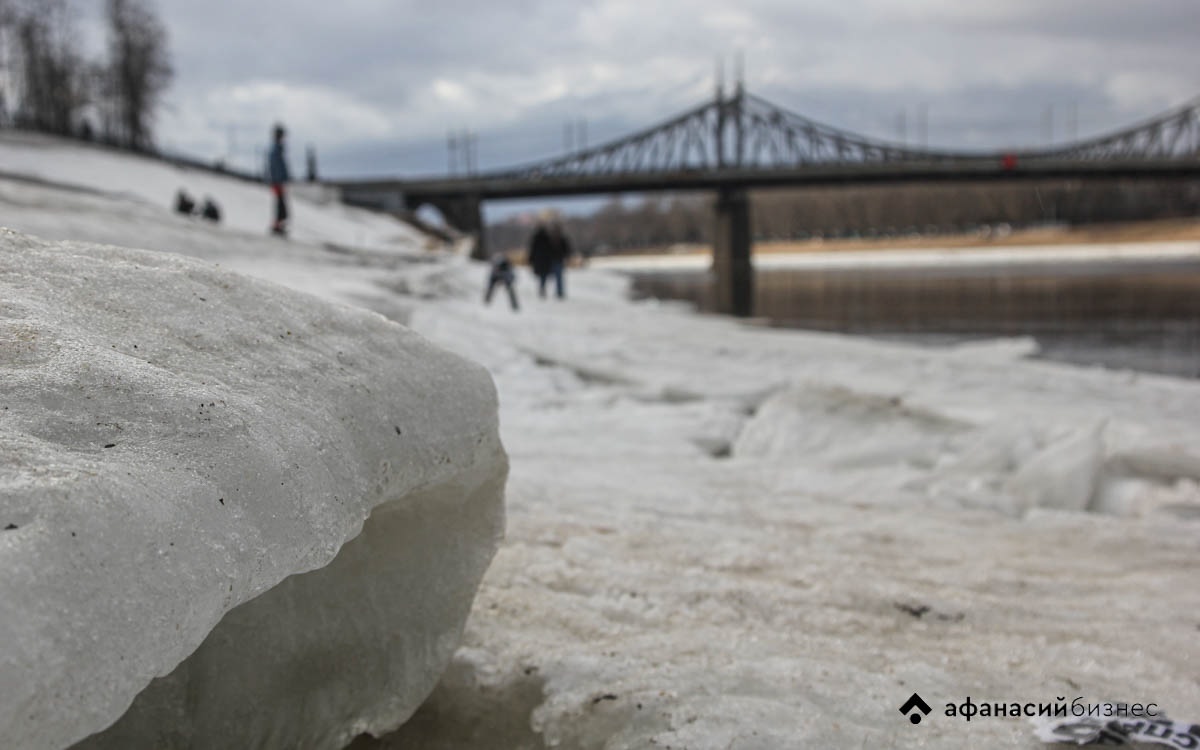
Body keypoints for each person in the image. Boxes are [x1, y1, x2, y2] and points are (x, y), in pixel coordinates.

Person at [527, 212, 572, 299]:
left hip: (551, 260)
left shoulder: (555, 238)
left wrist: (531, 259)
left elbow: (565, 248)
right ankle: (556, 292)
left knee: (547, 276)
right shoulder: (547, 238)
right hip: (549, 260)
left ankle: (554, 292)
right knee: (550, 276)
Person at [266, 124, 290, 236]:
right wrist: (278, 180)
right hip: (277, 182)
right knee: (280, 205)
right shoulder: (276, 149)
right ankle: (277, 226)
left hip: (278, 181)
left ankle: (279, 225)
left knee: (281, 205)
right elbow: (275, 167)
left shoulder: (277, 149)